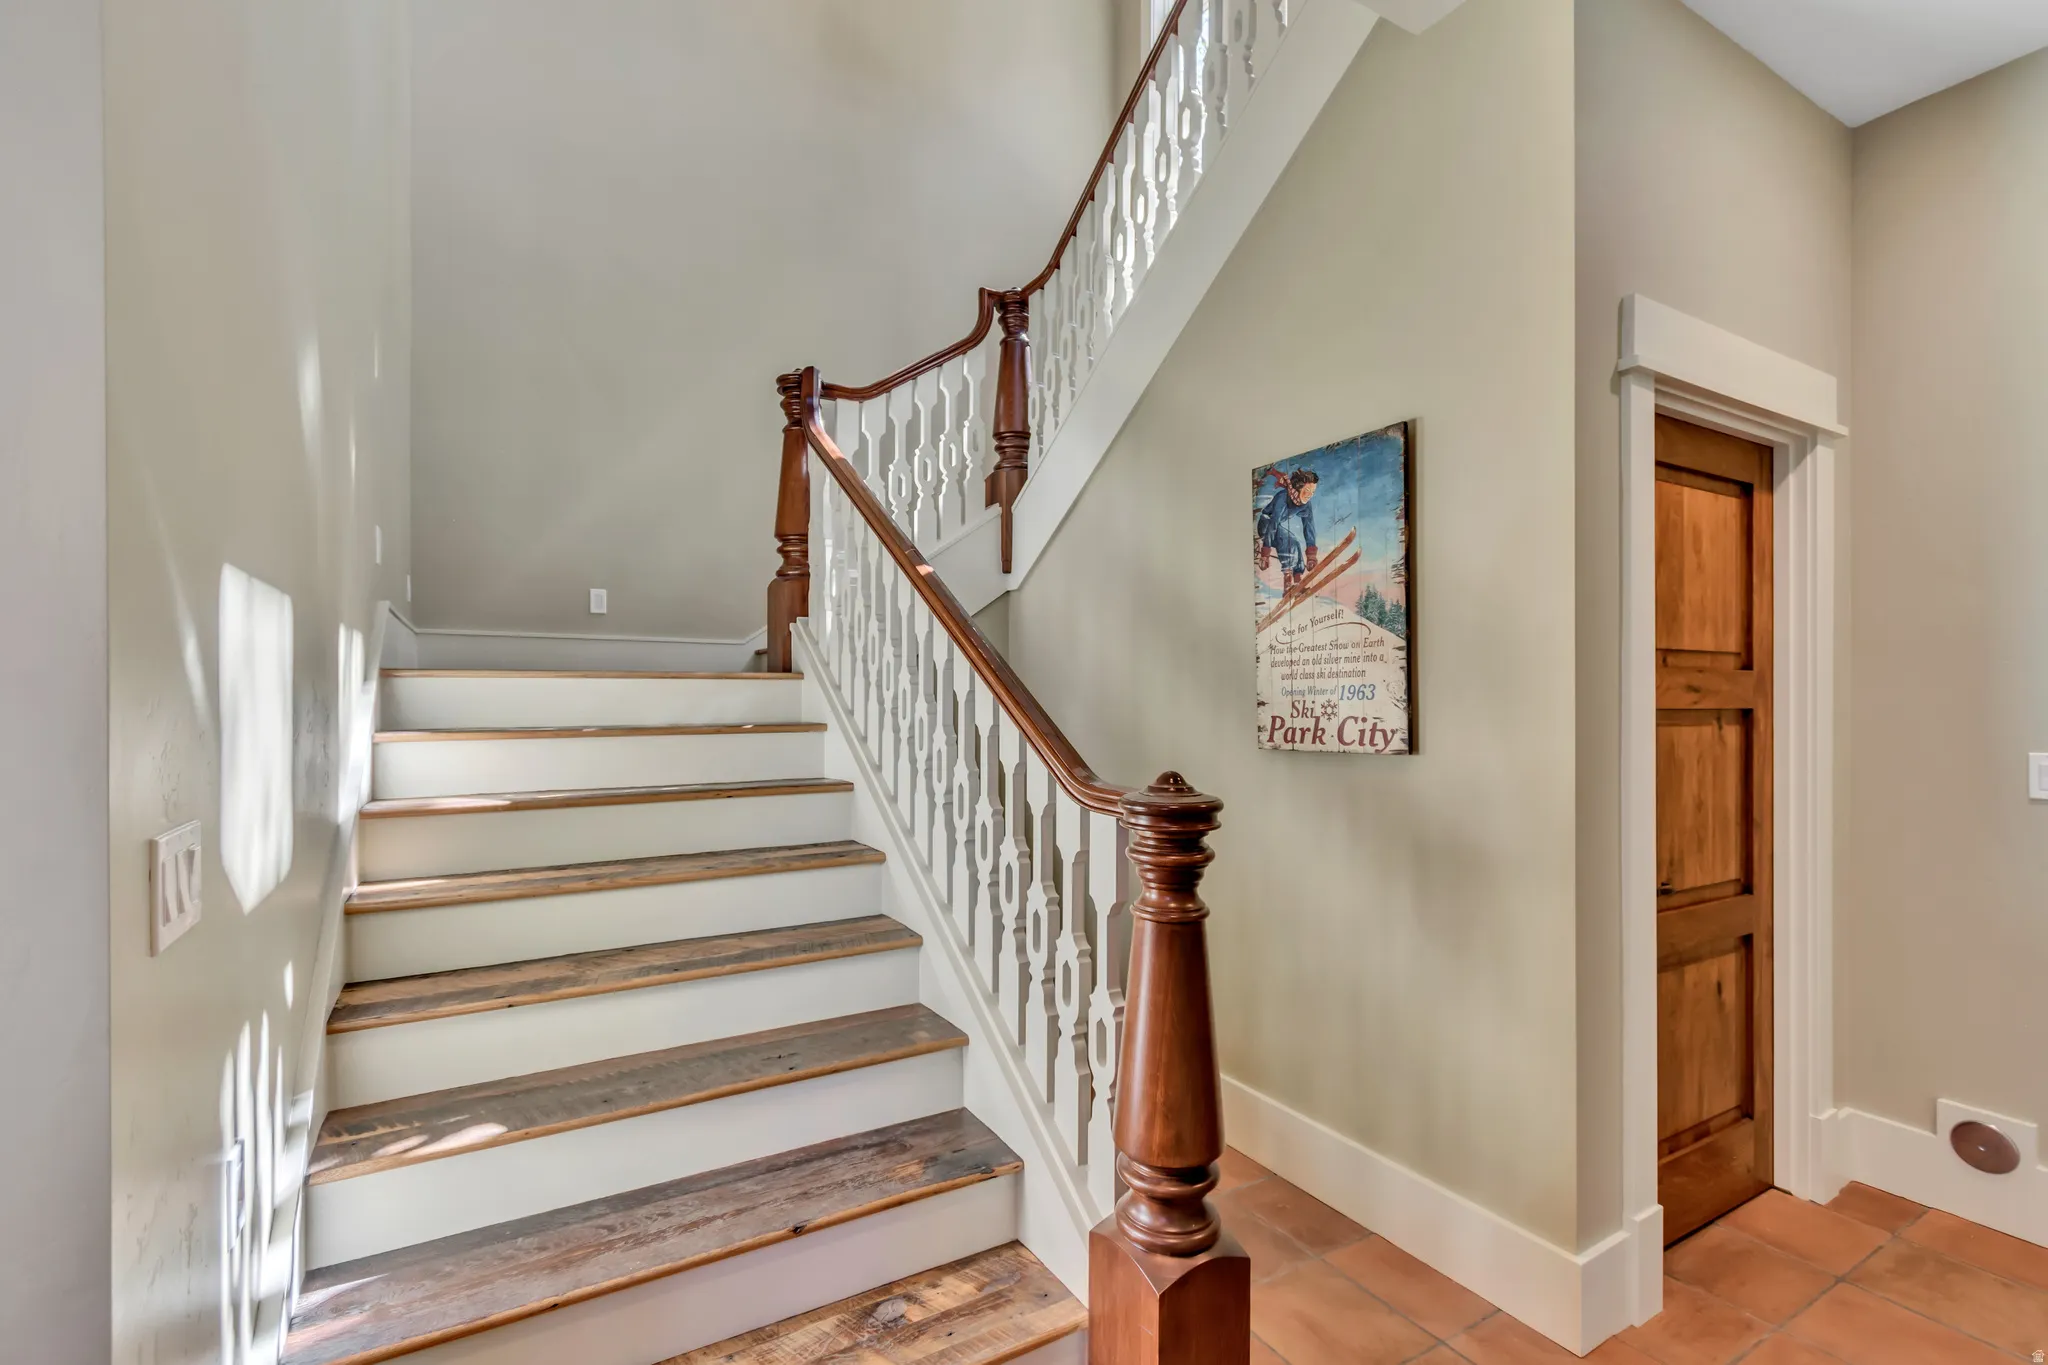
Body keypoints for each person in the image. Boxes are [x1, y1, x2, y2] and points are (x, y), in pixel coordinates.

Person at [1256, 467, 1320, 592]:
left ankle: (1297, 582)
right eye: (1307, 490)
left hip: (1275, 527)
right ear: (1298, 488)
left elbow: (1309, 526)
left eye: (1312, 492)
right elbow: (1273, 524)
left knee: (1296, 543)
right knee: (1290, 541)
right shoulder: (1283, 498)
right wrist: (1265, 554)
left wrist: (1311, 556)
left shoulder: (1305, 504)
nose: (1309, 495)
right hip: (1266, 525)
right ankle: (1288, 584)